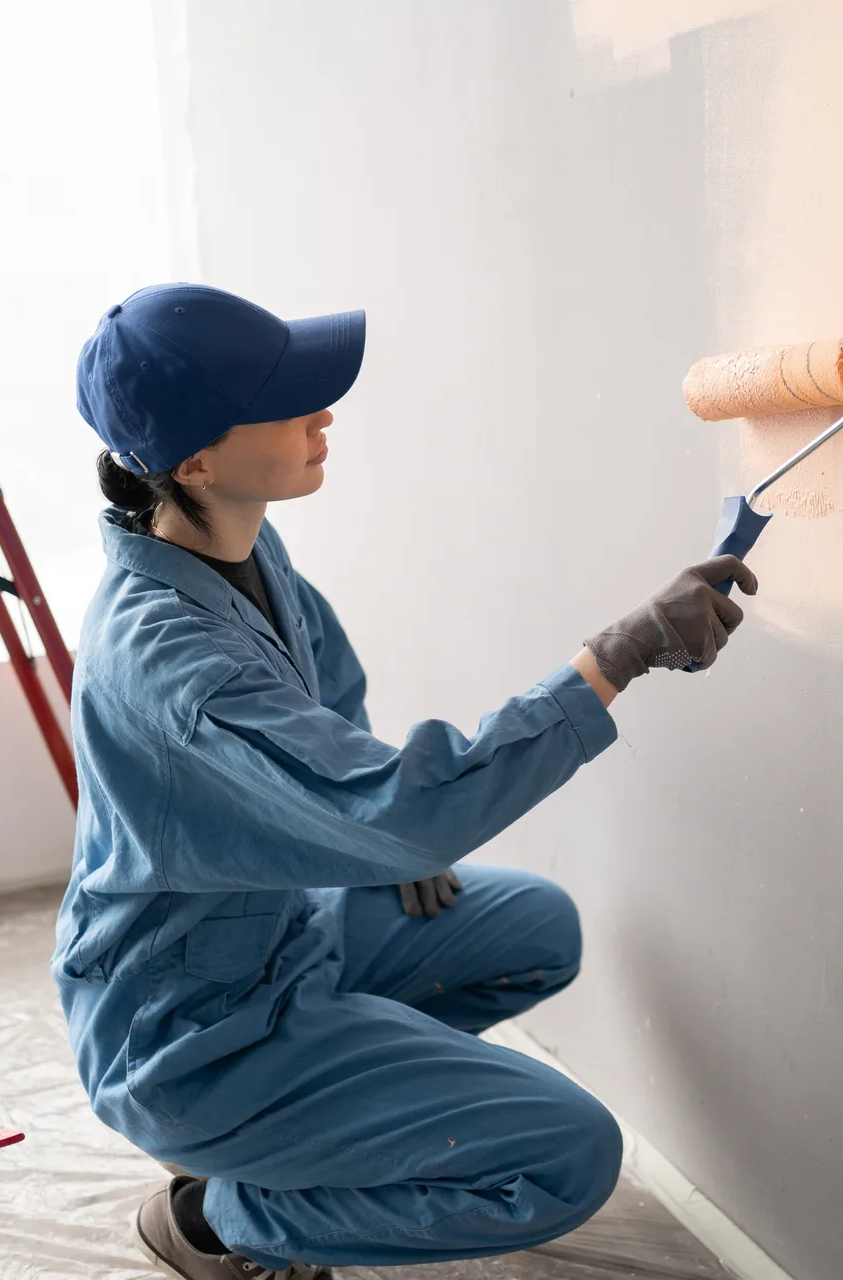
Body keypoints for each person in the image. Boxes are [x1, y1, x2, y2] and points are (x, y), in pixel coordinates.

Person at [53, 284, 757, 1279]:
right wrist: (619, 653)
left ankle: (316, 1129)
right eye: (292, 401)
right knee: (567, 1157)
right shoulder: (173, 664)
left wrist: (364, 850)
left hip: (281, 942)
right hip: (194, 1036)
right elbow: (411, 810)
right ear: (197, 459)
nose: (323, 414)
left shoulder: (236, 543)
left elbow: (329, 688)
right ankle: (224, 1214)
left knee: (536, 931)